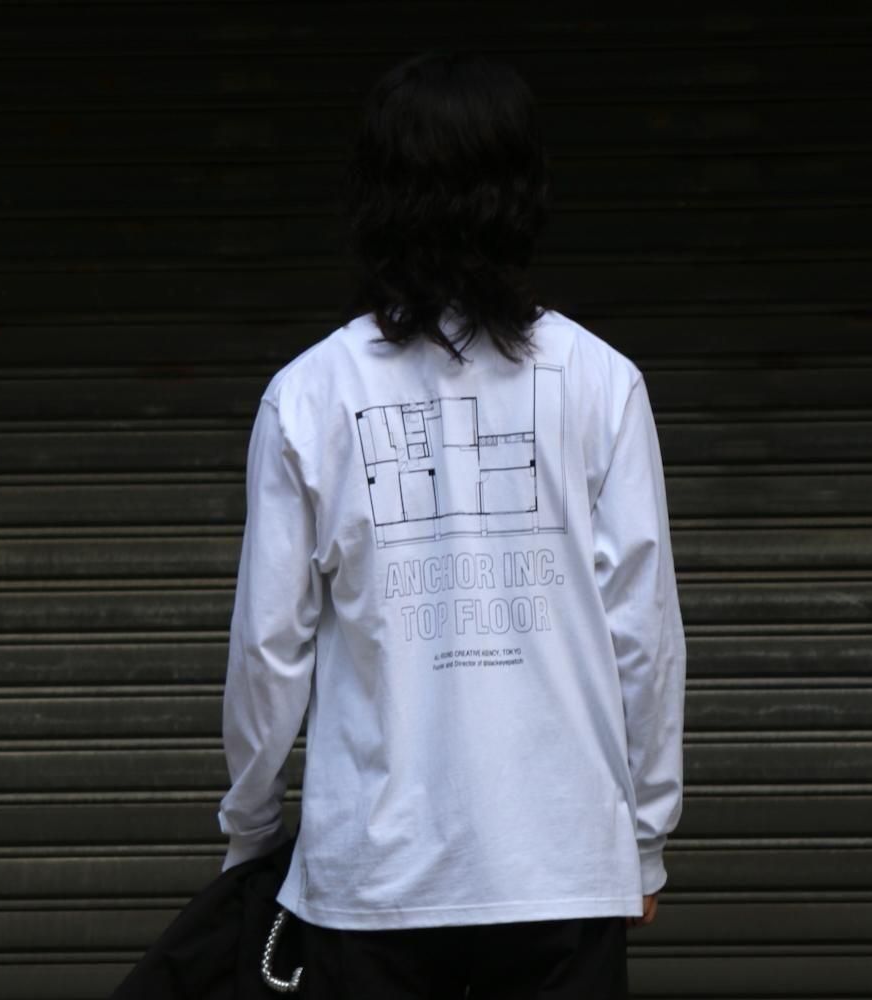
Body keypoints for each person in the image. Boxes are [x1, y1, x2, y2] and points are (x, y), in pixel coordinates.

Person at [216, 49, 686, 999]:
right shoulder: (602, 382)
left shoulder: (309, 394)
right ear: (524, 193)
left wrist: (252, 832)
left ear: (374, 197)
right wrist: (642, 839)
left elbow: (270, 651)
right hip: (562, 870)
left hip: (371, 883)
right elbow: (645, 639)